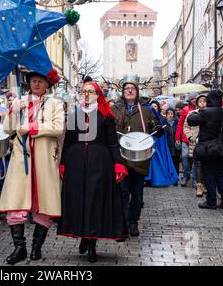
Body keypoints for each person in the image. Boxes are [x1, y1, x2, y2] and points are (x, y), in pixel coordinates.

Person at [57, 81, 128, 263]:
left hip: (99, 163)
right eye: (84, 91)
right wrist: (63, 163)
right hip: (76, 164)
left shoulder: (106, 116)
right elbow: (67, 142)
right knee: (80, 201)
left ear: (98, 95)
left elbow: (113, 143)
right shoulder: (74, 116)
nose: (87, 94)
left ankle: (92, 243)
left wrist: (118, 164)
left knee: (94, 201)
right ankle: (84, 235)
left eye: (91, 91)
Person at [0, 70, 64, 265]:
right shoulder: (20, 102)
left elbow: (58, 127)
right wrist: (13, 111)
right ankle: (19, 248)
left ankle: (37, 247)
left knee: (44, 203)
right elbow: (7, 128)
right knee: (16, 201)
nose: (36, 84)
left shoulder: (55, 103)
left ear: (47, 84)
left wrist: (34, 127)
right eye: (33, 81)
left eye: (40, 81)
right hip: (21, 160)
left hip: (45, 159)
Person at [111, 74, 164, 237]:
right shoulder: (114, 109)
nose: (129, 90)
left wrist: (159, 128)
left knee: (138, 195)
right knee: (122, 192)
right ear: (122, 91)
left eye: (132, 88)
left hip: (140, 159)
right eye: (127, 88)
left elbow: (157, 126)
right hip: (121, 157)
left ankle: (133, 222)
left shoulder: (147, 110)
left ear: (137, 91)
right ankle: (124, 223)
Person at [187, 89, 223, 209]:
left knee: (209, 175)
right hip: (220, 146)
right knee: (219, 175)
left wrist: (196, 112)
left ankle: (211, 201)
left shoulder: (206, 112)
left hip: (207, 148)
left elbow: (191, 121)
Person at [184, 94, 207, 197]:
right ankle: (198, 185)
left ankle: (204, 184)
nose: (202, 103)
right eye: (200, 101)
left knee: (205, 164)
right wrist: (190, 136)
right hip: (195, 142)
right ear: (197, 103)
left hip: (206, 142)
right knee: (197, 164)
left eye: (204, 101)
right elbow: (186, 126)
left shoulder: (209, 113)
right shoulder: (191, 113)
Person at [176, 93, 198, 187]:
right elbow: (180, 124)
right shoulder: (185, 110)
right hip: (186, 138)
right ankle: (186, 175)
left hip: (196, 139)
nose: (194, 100)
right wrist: (177, 138)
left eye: (195, 98)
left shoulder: (201, 109)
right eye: (192, 98)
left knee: (195, 158)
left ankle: (195, 178)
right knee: (185, 157)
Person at [166, 108, 181, 176]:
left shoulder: (177, 122)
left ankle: (176, 177)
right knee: (168, 162)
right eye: (168, 114)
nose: (170, 115)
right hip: (168, 146)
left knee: (176, 162)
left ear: (174, 115)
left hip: (176, 146)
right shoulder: (164, 123)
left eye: (171, 114)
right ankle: (169, 176)